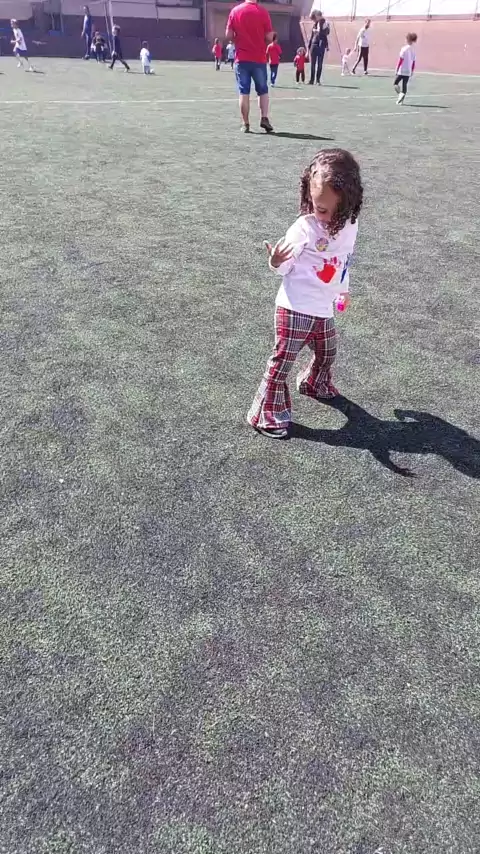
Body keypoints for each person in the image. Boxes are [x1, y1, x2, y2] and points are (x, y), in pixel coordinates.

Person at [247, 148, 363, 439]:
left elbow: (343, 262)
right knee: (282, 362)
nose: (317, 212)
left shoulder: (350, 225)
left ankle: (314, 383)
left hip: (322, 308)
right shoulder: (304, 227)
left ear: (347, 203)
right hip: (294, 307)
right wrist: (276, 261)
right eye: (314, 204)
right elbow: (285, 267)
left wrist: (343, 290)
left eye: (325, 209)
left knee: (327, 352)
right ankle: (264, 414)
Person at [225, 0, 274, 134]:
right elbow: (270, 36)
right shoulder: (263, 12)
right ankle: (264, 118)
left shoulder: (235, 11)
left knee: (244, 92)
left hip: (241, 59)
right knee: (263, 90)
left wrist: (237, 40)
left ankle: (245, 123)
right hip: (259, 58)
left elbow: (228, 35)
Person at [394, 32, 417, 105]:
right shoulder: (413, 50)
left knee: (395, 83)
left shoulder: (404, 49)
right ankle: (401, 100)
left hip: (402, 70)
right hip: (408, 70)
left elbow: (401, 59)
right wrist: (412, 71)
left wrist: (397, 68)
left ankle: (400, 95)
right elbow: (413, 62)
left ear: (408, 39)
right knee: (404, 85)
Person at [308, 12, 329, 85]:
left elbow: (326, 33)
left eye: (314, 18)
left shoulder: (324, 23)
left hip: (321, 46)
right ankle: (311, 80)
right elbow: (311, 37)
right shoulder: (314, 25)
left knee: (320, 64)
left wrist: (327, 45)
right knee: (313, 64)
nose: (314, 20)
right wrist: (308, 48)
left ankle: (318, 80)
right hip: (314, 45)